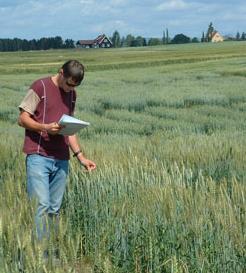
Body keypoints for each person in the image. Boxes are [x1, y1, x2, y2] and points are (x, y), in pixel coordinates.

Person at [18, 60, 96, 243]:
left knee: (54, 208)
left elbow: (70, 130)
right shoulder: (40, 87)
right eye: (69, 84)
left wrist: (81, 157)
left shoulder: (72, 94)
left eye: (74, 86)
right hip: (38, 156)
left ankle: (50, 252)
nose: (70, 89)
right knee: (41, 205)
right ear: (61, 72)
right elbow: (22, 119)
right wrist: (44, 127)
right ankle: (38, 254)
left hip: (61, 159)